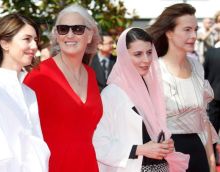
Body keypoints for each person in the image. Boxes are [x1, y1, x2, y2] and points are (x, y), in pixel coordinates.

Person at [93, 27, 189, 172]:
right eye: (138, 54)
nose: (146, 60)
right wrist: (139, 150)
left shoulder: (153, 88)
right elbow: (99, 144)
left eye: (149, 53)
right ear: (124, 56)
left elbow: (155, 131)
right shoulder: (111, 94)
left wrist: (165, 145)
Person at [24, 4, 102, 172]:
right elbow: (22, 134)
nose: (70, 35)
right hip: (52, 166)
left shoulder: (91, 74)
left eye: (78, 29)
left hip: (89, 165)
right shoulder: (39, 76)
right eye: (63, 29)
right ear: (56, 36)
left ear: (90, 35)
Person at [0, 13, 50, 172]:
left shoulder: (29, 93)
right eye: (27, 39)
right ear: (5, 43)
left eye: (35, 40)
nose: (34, 46)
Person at [147, 3, 219, 172]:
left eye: (195, 29)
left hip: (198, 151)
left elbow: (204, 119)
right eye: (187, 29)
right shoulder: (154, 70)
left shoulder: (197, 66)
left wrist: (210, 160)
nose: (194, 35)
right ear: (169, 32)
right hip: (167, 154)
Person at [204, 47, 220, 162]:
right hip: (213, 98)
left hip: (214, 97)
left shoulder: (211, 53)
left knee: (213, 129)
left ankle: (212, 157)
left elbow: (204, 75)